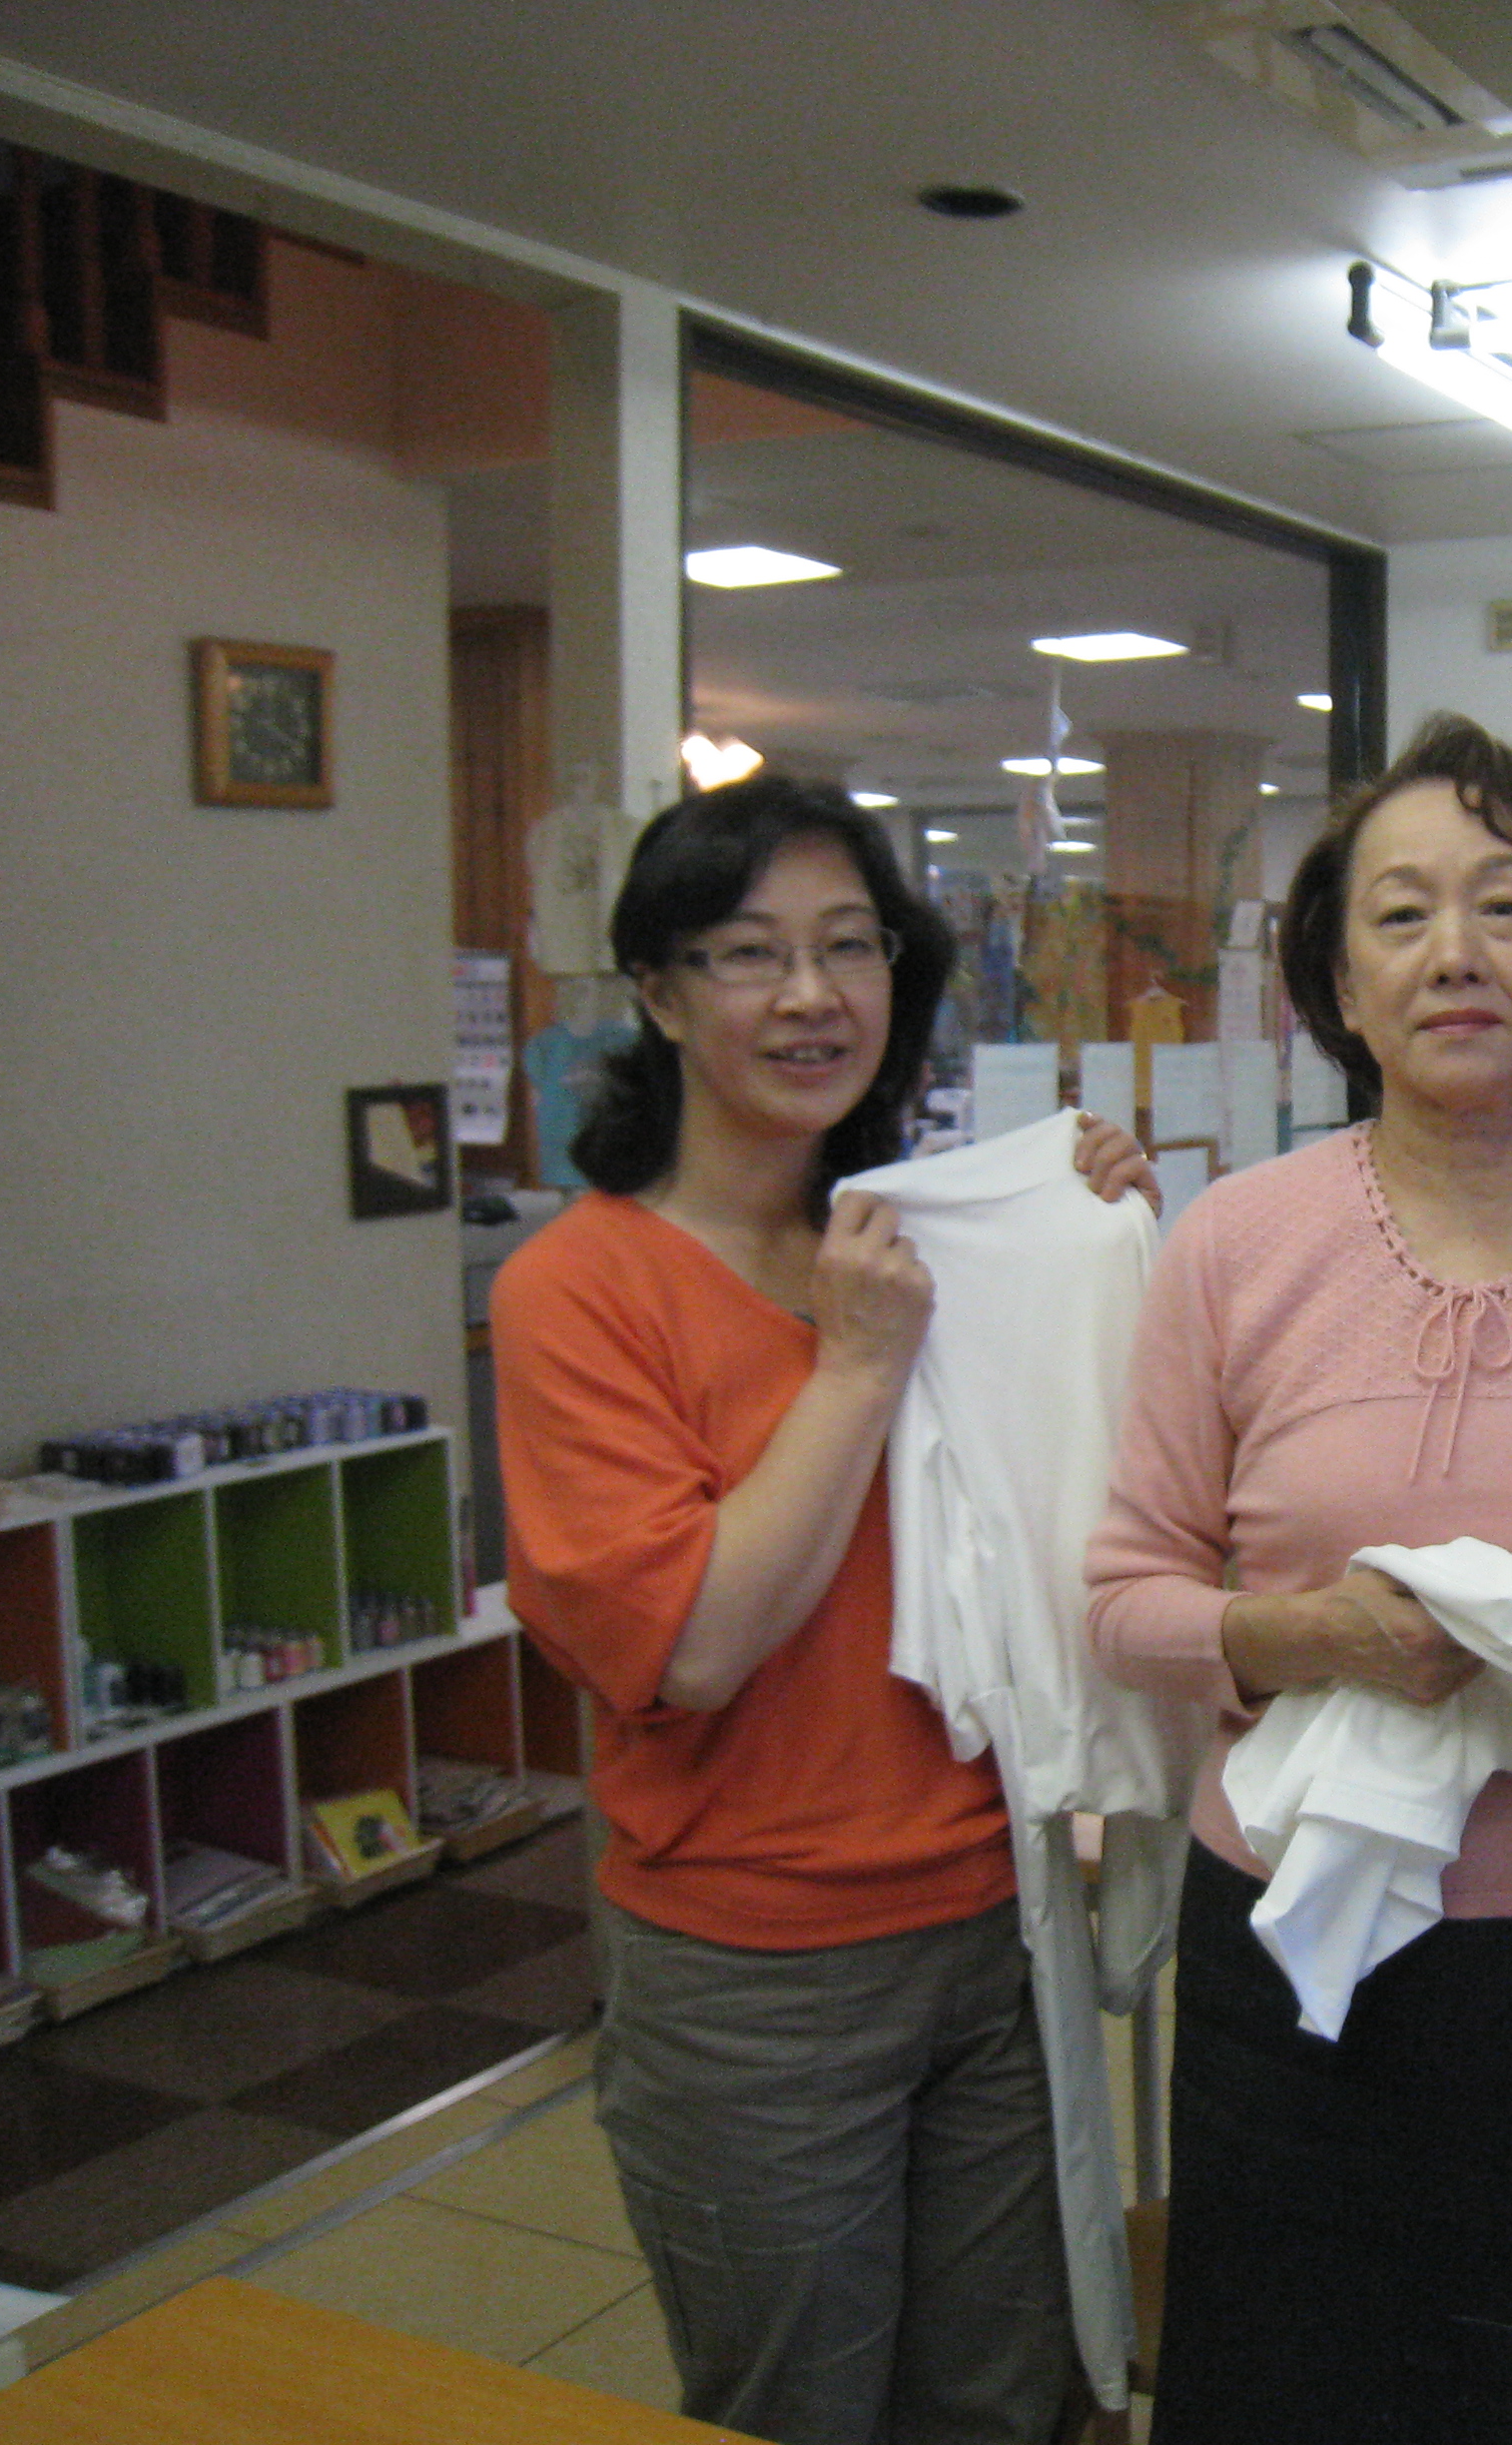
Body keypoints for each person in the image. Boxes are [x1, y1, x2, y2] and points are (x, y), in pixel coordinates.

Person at [1085, 713, 1512, 2444]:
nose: (1453, 953)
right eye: (1399, 916)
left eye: (1504, 907)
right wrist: (1306, 1635)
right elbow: (1122, 1598)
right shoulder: (1235, 1245)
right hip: (1283, 1921)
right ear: (1341, 981)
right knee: (1276, 2377)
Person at [491, 772, 1152, 2445]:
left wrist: (1083, 1239)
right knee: (797, 2406)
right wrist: (858, 1367)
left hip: (993, 1923)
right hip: (754, 1978)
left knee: (1007, 2399)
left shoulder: (918, 1243)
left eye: (851, 947)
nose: (812, 995)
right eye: (750, 952)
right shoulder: (581, 1288)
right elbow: (694, 1646)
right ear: (659, 993)